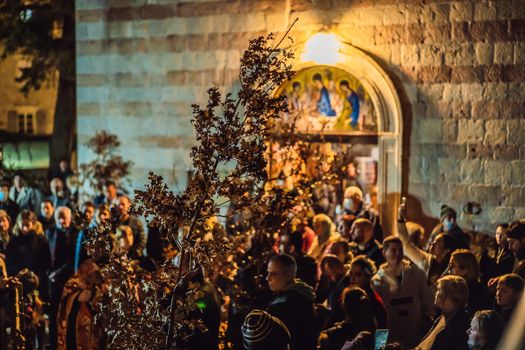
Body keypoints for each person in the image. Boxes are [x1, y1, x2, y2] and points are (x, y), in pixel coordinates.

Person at [372, 236, 434, 347]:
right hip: (391, 335)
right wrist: (380, 345)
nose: (397, 253)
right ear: (384, 252)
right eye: (393, 250)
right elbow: (378, 315)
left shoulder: (416, 274)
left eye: (400, 250)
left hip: (414, 333)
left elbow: (427, 300)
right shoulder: (377, 281)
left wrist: (426, 322)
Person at [266, 254, 318, 350]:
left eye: (274, 274)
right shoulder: (302, 291)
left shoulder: (283, 306)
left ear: (289, 274)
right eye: (268, 273)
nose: (267, 278)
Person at [46, 206, 79, 349]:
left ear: (70, 217)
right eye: (58, 216)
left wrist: (58, 273)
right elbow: (45, 255)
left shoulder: (77, 234)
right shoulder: (50, 232)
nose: (61, 220)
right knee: (54, 316)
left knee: (70, 316)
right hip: (53, 282)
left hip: (70, 280)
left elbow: (75, 259)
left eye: (64, 216)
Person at [5, 210, 51, 299]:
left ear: (33, 224)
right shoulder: (14, 241)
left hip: (35, 282)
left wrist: (37, 277)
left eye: (27, 225)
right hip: (17, 281)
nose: (25, 228)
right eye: (23, 225)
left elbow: (46, 263)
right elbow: (9, 261)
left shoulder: (41, 241)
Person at [415, 275, 470, 350]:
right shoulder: (443, 317)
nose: (436, 293)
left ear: (450, 296)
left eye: (439, 290)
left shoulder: (459, 325)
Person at [447, 250, 492, 316]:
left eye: (452, 266)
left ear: (464, 270)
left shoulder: (475, 293)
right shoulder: (458, 287)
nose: (449, 269)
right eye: (449, 265)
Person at [347, 255, 387, 328]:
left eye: (358, 275)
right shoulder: (348, 294)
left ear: (368, 276)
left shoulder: (373, 300)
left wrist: (380, 340)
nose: (352, 278)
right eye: (351, 273)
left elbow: (383, 329)